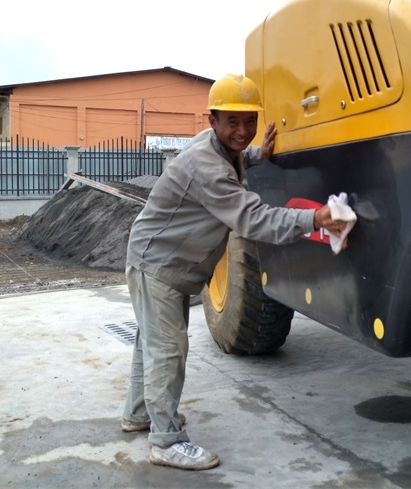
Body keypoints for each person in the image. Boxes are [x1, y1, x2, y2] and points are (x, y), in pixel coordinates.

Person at [121, 73, 346, 470]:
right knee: (167, 350)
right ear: (213, 120)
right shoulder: (206, 165)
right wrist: (315, 218)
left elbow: (236, 155)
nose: (242, 131)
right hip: (159, 265)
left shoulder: (215, 146)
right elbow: (254, 219)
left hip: (158, 259)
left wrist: (258, 153)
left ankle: (139, 414)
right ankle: (166, 441)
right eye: (233, 122)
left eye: (249, 121)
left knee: (150, 344)